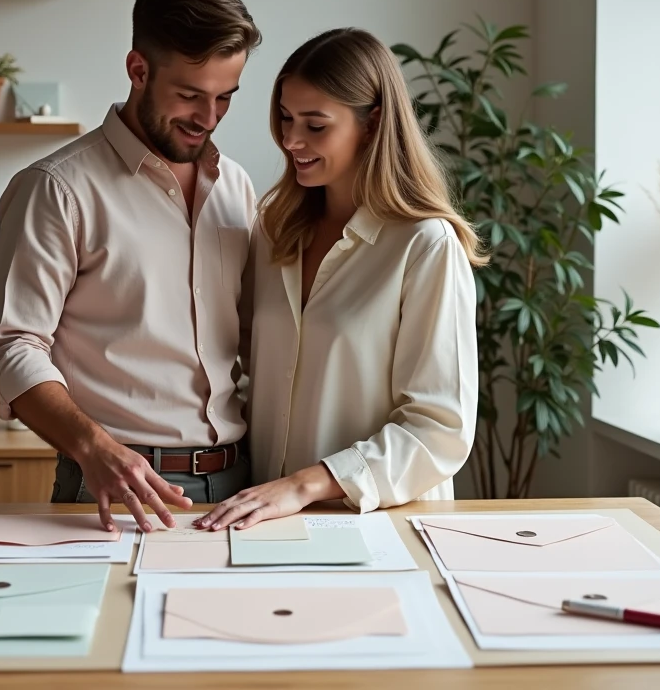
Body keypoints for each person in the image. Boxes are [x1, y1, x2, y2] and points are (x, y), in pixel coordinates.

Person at [0, 0, 262, 532]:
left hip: (240, 484)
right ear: (138, 70)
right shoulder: (55, 188)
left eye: (225, 98)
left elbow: (253, 340)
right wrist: (93, 447)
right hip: (112, 486)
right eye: (189, 96)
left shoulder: (237, 186)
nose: (208, 119)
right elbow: (10, 349)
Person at [196, 27, 485, 531]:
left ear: (372, 124)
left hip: (383, 526)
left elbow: (440, 429)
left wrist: (306, 484)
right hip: (267, 522)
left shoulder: (425, 245)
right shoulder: (274, 233)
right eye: (285, 119)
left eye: (315, 125)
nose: (291, 140)